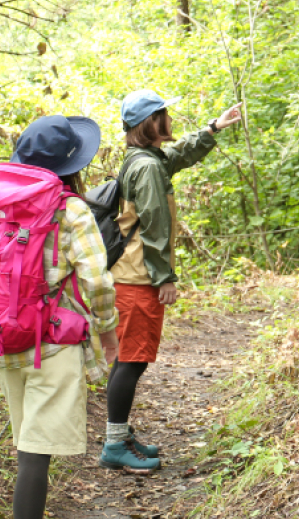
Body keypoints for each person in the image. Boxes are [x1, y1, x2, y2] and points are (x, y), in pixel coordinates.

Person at [98, 90, 243, 471]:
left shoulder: (144, 159)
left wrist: (213, 129)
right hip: (138, 279)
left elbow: (175, 157)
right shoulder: (146, 167)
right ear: (151, 122)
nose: (169, 118)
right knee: (131, 361)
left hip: (132, 277)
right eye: (164, 113)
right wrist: (165, 278)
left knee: (132, 360)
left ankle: (121, 435)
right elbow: (155, 226)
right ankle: (114, 445)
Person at [0, 115, 121, 517]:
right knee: (36, 453)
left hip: (3, 338)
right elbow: (97, 281)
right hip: (51, 342)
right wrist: (108, 330)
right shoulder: (70, 210)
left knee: (27, 443)